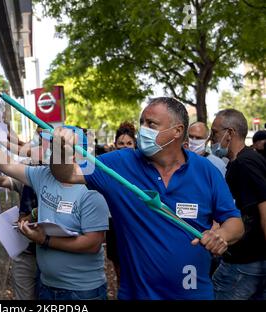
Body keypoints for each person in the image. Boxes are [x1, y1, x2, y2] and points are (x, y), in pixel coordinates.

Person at [50, 97, 244, 300]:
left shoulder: (206, 171)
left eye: (151, 124)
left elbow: (235, 222)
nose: (143, 129)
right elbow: (67, 174)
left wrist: (221, 235)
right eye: (141, 122)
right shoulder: (118, 163)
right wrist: (58, 149)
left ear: (177, 131)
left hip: (195, 293)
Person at [0, 119, 110, 300]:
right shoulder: (44, 174)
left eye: (56, 147)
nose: (49, 150)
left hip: (81, 292)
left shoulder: (91, 191)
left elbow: (92, 244)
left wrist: (44, 240)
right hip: (47, 286)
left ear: (75, 155)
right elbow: (6, 163)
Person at [210, 109, 266, 300]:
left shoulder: (245, 164)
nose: (212, 139)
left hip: (244, 263)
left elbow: (264, 208)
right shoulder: (240, 163)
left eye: (215, 132)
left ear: (230, 133)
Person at [0, 170, 38, 300]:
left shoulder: (65, 182)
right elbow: (7, 181)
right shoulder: (29, 176)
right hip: (25, 253)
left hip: (49, 253)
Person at [108, 121, 137, 291]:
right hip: (114, 224)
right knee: (118, 266)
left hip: (134, 224)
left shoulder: (143, 168)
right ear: (115, 145)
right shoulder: (107, 166)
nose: (125, 147)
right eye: (121, 143)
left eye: (129, 143)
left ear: (135, 145)